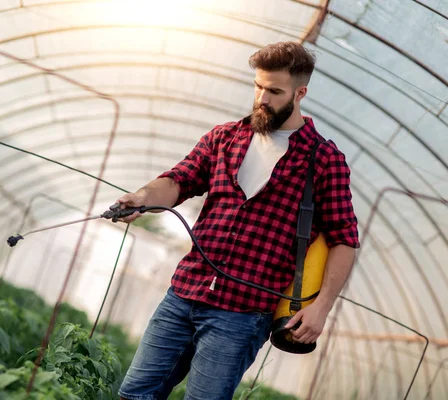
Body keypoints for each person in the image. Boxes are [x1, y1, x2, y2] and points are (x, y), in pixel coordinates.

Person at [114, 41, 360, 400]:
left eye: (275, 91)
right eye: (258, 86)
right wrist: (142, 198)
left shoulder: (322, 159)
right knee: (134, 394)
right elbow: (178, 181)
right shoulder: (225, 137)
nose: (262, 98)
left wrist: (321, 308)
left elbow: (345, 240)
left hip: (243, 313)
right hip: (184, 294)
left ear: (300, 92)